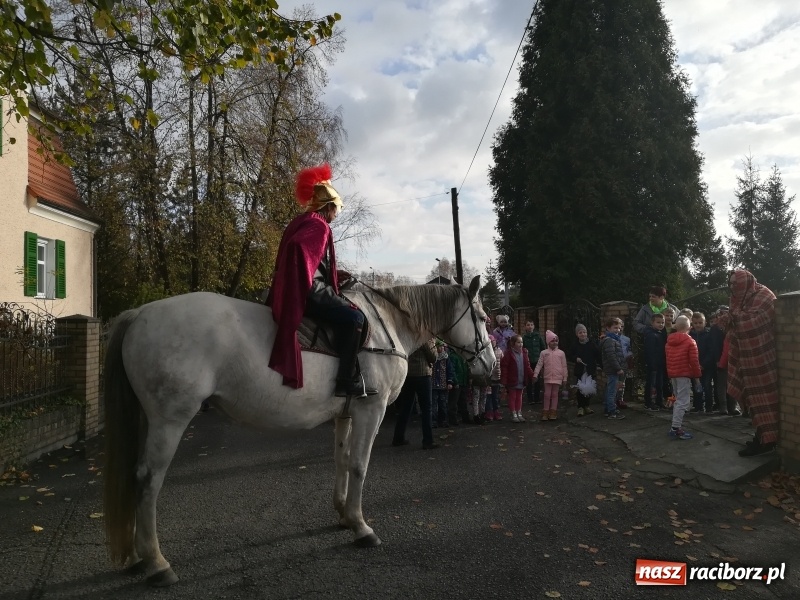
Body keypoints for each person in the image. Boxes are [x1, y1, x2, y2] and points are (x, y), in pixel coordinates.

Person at [267, 164, 377, 398]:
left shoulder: (301, 220)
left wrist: (335, 276)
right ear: (328, 207)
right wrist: (309, 280)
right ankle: (345, 382)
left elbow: (310, 261)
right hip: (308, 291)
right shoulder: (319, 225)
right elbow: (300, 251)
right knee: (356, 318)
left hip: (297, 286)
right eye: (336, 208)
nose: (337, 213)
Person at [717, 269, 779, 457]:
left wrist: (732, 318)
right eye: (730, 283)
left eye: (735, 283)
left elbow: (758, 321)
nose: (731, 287)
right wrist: (727, 319)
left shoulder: (764, 295)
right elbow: (735, 319)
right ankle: (761, 437)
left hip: (762, 358)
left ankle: (768, 440)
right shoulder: (738, 298)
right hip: (744, 358)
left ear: (745, 282)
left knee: (765, 402)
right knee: (752, 401)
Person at [392, 339, 440, 450]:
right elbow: (433, 357)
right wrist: (434, 346)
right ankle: (428, 441)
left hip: (408, 374)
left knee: (405, 408)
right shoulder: (425, 338)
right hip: (423, 375)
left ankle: (398, 437)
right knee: (426, 409)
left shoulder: (410, 336)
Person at [665, 315, 701, 440]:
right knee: (683, 401)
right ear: (689, 327)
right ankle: (675, 428)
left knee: (677, 399)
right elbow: (694, 361)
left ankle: (675, 426)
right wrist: (697, 376)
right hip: (684, 374)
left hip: (673, 374)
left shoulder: (669, 341)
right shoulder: (690, 341)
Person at [533, 330, 568, 421]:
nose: (555, 342)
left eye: (556, 340)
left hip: (557, 377)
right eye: (552, 341)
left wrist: (565, 378)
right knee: (547, 394)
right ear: (548, 342)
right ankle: (545, 411)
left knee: (555, 394)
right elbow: (539, 364)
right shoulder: (544, 353)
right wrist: (535, 374)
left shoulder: (561, 353)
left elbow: (564, 366)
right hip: (547, 377)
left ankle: (553, 411)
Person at [501, 335, 535, 422]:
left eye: (521, 342)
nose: (520, 344)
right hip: (512, 380)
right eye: (518, 342)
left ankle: (519, 412)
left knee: (519, 396)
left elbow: (527, 366)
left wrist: (532, 375)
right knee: (513, 396)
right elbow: (504, 367)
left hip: (521, 379)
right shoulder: (508, 353)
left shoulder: (524, 353)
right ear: (513, 343)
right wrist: (504, 381)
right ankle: (513, 413)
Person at [570, 324, 600, 417]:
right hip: (580, 370)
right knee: (581, 389)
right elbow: (570, 355)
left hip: (590, 369)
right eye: (580, 332)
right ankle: (580, 407)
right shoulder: (575, 344)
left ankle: (587, 406)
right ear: (577, 334)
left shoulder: (591, 343)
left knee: (589, 388)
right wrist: (576, 358)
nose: (583, 334)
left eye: (584, 332)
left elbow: (597, 354)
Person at [600, 318, 626, 420]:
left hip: (612, 369)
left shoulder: (612, 339)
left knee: (609, 389)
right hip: (613, 369)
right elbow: (612, 357)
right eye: (615, 328)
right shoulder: (610, 340)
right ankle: (612, 411)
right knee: (612, 391)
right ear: (608, 328)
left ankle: (607, 409)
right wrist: (618, 368)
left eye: (619, 328)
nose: (618, 330)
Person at [689, 312, 714, 413]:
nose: (698, 325)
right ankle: (698, 405)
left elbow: (711, 351)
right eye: (695, 323)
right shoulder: (690, 335)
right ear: (692, 323)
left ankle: (709, 406)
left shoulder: (708, 335)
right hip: (695, 366)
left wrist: (704, 364)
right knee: (696, 386)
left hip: (706, 366)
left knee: (707, 385)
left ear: (705, 322)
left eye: (700, 322)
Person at [643, 313, 667, 411]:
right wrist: (652, 364)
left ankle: (659, 401)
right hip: (653, 364)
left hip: (660, 363)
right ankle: (649, 402)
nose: (661, 324)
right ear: (652, 323)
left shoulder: (660, 334)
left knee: (659, 383)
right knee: (651, 384)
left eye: (662, 322)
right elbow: (650, 350)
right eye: (658, 322)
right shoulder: (651, 334)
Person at [431, 340, 455, 428]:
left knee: (443, 404)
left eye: (442, 346)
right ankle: (433, 421)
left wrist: (449, 381)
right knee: (433, 404)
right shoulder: (432, 357)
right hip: (433, 384)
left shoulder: (446, 358)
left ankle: (443, 420)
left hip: (443, 384)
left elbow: (450, 370)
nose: (440, 348)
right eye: (438, 347)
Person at [522, 320, 546, 404]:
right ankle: (530, 399)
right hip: (528, 362)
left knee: (537, 380)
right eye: (528, 325)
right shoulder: (524, 337)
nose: (530, 326)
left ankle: (537, 398)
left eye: (531, 325)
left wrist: (543, 359)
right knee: (528, 380)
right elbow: (522, 349)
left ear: (534, 326)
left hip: (537, 361)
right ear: (525, 327)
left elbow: (543, 347)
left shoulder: (538, 336)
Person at [448, 349, 471, 426]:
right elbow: (452, 370)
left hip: (463, 382)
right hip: (457, 382)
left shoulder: (462, 357)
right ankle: (452, 420)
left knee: (463, 401)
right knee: (453, 402)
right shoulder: (453, 356)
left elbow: (466, 369)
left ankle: (465, 418)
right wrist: (455, 381)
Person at [484, 335, 503, 421]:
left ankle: (496, 410)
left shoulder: (499, 351)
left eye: (493, 341)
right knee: (488, 395)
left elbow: (503, 362)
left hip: (497, 377)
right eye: (490, 342)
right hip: (488, 378)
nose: (492, 343)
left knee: (495, 395)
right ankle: (489, 411)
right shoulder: (484, 351)